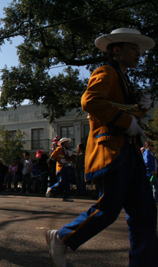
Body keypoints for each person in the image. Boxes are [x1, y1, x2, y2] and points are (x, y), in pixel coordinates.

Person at [46, 28, 158, 267]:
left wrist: (141, 108)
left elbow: (124, 113)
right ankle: (62, 237)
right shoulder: (106, 71)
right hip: (112, 152)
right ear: (117, 50)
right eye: (134, 48)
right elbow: (90, 101)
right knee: (108, 209)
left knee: (145, 214)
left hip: (130, 154)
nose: (139, 54)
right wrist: (128, 121)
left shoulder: (124, 78)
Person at [46, 138, 76, 202]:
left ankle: (66, 197)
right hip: (61, 168)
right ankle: (51, 189)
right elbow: (53, 155)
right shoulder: (60, 149)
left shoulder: (65, 150)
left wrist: (73, 155)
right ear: (64, 143)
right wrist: (60, 160)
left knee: (67, 183)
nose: (68, 144)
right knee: (61, 181)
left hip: (65, 167)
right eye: (67, 142)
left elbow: (68, 160)